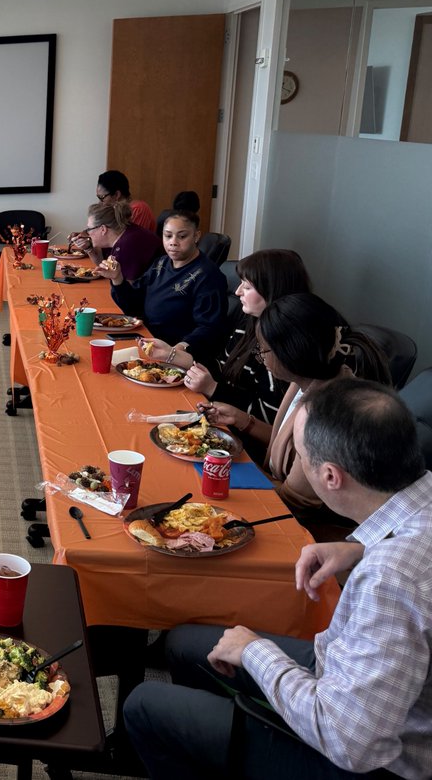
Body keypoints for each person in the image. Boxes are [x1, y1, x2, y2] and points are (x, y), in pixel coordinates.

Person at [124, 378, 432, 780]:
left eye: (302, 457)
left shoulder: (390, 580)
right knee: (184, 642)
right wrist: (359, 548)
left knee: (143, 705)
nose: (299, 463)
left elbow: (349, 742)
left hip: (366, 758)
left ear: (330, 477)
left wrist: (255, 652)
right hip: (355, 681)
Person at [202, 292, 390, 520]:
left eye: (263, 351)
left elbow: (295, 503)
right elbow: (290, 446)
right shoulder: (306, 381)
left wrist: (234, 473)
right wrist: (241, 419)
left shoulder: (326, 413)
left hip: (306, 525)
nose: (260, 358)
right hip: (277, 493)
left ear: (290, 355)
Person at [140, 248, 312, 426]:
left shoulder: (284, 346)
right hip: (220, 411)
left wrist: (212, 388)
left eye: (247, 286)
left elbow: (269, 420)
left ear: (272, 291)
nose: (237, 292)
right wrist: (170, 354)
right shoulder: (248, 318)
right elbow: (223, 366)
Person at [96, 210, 227, 370]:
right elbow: (133, 305)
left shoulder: (208, 276)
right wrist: (117, 278)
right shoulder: (161, 263)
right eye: (168, 236)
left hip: (175, 355)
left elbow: (209, 327)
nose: (173, 242)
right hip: (146, 340)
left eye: (182, 236)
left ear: (196, 236)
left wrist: (178, 349)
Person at [68, 201, 160, 283]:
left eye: (89, 229)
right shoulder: (122, 233)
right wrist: (89, 248)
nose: (87, 233)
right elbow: (104, 267)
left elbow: (129, 293)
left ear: (103, 229)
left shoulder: (127, 244)